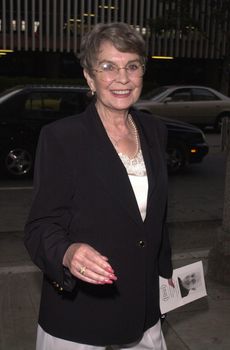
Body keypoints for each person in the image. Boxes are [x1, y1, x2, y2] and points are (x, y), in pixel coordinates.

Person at [24, 22, 173, 350]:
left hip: (144, 305)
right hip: (80, 315)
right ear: (89, 77)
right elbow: (40, 226)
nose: (123, 77)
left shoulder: (153, 129)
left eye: (132, 66)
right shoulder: (62, 138)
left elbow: (155, 217)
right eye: (108, 66)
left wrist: (165, 273)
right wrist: (67, 252)